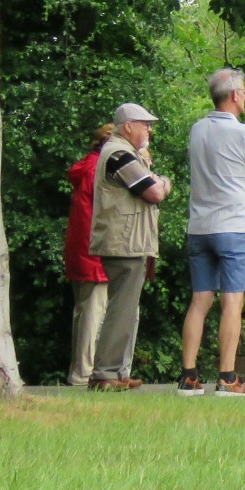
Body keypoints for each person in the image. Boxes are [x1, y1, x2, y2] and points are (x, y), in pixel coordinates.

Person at [178, 67, 245, 397]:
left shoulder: (197, 129)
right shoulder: (242, 133)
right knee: (232, 302)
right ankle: (227, 377)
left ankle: (189, 376)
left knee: (199, 301)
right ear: (234, 95)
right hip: (232, 226)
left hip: (199, 226)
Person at [88, 103, 170, 390]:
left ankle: (118, 372)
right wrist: (164, 181)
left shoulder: (123, 153)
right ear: (128, 126)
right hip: (123, 242)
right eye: (145, 123)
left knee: (126, 309)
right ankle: (106, 374)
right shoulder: (120, 154)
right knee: (121, 309)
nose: (149, 129)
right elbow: (155, 192)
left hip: (127, 241)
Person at [63, 124, 113, 387]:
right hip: (95, 252)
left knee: (83, 312)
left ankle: (80, 369)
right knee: (94, 314)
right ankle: (84, 373)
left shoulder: (86, 167)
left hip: (80, 250)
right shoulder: (100, 170)